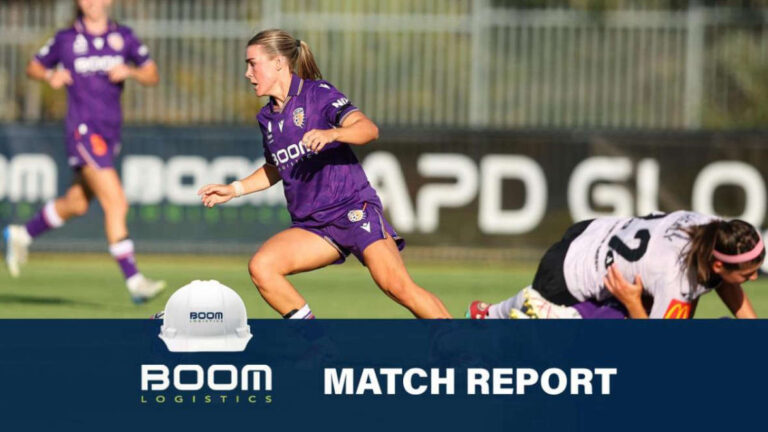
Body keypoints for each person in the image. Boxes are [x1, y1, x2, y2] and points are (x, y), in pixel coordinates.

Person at [198, 29, 451, 319]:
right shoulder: (266, 118)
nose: (247, 73)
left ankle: (461, 341)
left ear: (278, 62)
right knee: (262, 267)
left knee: (396, 286)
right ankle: (317, 342)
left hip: (352, 210)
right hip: (313, 226)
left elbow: (368, 129)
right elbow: (276, 167)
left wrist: (333, 134)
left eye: (253, 64)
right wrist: (235, 189)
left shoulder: (317, 94)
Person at [3, 0, 165, 303]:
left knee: (77, 203)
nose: (91, 2)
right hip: (82, 132)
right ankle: (135, 281)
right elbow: (34, 66)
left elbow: (152, 74)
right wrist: (49, 76)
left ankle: (21, 234)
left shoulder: (124, 37)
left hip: (110, 132)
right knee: (116, 202)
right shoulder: (66, 39)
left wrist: (130, 71)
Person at [467, 211, 763, 319]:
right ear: (718, 265)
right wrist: (633, 303)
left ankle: (490, 313)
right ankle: (558, 318)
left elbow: (725, 280)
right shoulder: (677, 281)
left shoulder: (712, 229)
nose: (752, 279)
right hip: (565, 278)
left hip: (590, 231)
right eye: (748, 274)